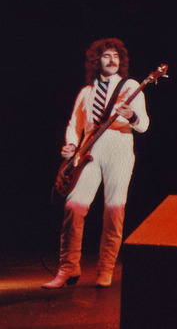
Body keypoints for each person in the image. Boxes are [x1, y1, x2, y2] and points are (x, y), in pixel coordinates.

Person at [43, 38, 149, 289]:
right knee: (73, 207)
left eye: (116, 56)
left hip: (120, 152)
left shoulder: (130, 86)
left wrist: (130, 115)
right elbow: (74, 125)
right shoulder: (86, 92)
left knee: (113, 212)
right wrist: (70, 145)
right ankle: (68, 267)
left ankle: (106, 269)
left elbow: (143, 125)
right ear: (96, 61)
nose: (112, 60)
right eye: (106, 56)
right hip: (89, 153)